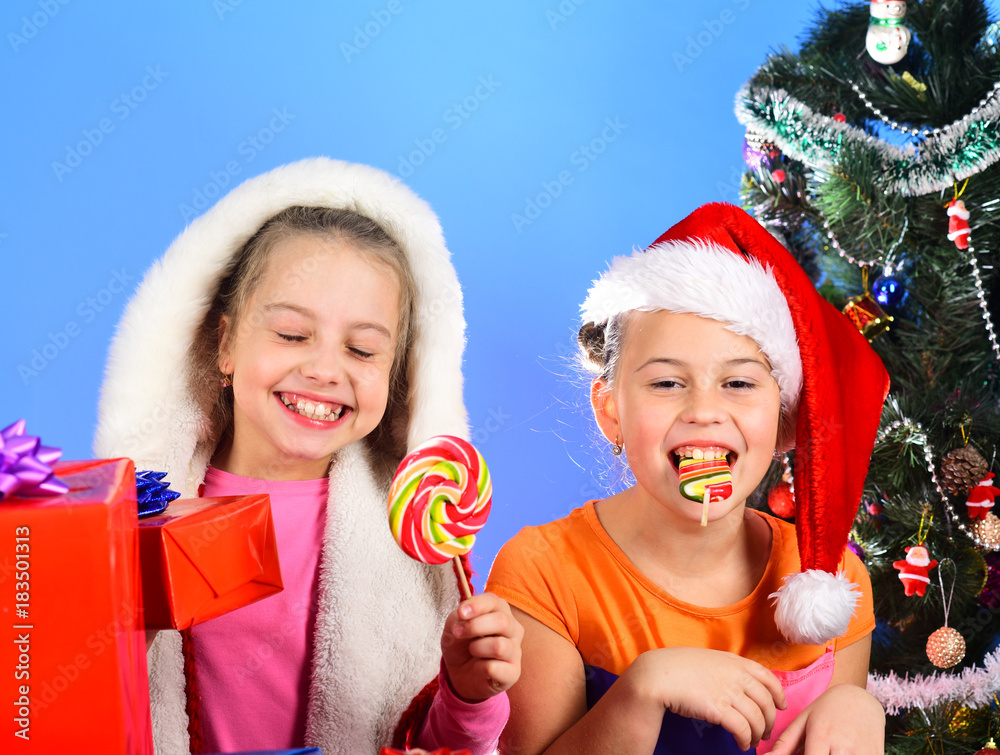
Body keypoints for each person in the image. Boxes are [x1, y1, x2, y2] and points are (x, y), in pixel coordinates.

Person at [94, 158, 521, 755]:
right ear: (224, 345)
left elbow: (434, 743)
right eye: (292, 335)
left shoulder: (410, 538)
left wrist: (468, 695)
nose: (324, 369)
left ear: (397, 374)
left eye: (362, 349)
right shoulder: (141, 521)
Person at [487, 203, 888, 754]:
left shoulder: (831, 579)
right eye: (668, 383)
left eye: (740, 384)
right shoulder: (545, 573)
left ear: (784, 414)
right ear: (610, 410)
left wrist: (855, 705)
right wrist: (643, 691)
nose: (704, 411)